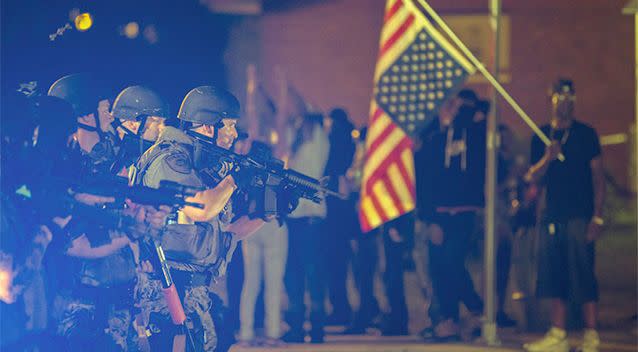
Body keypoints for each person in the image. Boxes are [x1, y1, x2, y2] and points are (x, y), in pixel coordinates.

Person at [131, 85, 263, 352]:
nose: (234, 134)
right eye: (230, 125)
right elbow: (201, 208)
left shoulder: (195, 165)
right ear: (207, 126)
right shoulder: (170, 160)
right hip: (169, 292)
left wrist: (269, 211)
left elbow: (225, 232)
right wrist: (234, 179)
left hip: (193, 293)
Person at [523, 79, 605, 352]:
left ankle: (591, 335)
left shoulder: (586, 134)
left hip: (580, 215)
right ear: (551, 100)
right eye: (560, 96)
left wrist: (597, 217)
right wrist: (548, 157)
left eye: (571, 97)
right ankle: (558, 334)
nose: (565, 102)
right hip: (552, 215)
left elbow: (598, 178)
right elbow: (532, 178)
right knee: (554, 274)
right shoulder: (541, 135)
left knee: (582, 273)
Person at [415, 89, 486, 342]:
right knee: (440, 267)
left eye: (459, 106)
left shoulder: (477, 136)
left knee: (453, 262)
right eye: (450, 105)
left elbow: (486, 159)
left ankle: (476, 307)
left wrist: (471, 113)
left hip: (465, 212)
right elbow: (425, 183)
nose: (454, 110)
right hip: (439, 214)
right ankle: (448, 321)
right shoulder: (434, 140)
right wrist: (431, 219)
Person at [283, 112, 330, 343]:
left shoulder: (319, 139)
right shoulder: (296, 142)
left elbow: (299, 106)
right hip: (294, 217)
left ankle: (318, 327)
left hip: (312, 217)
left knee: (313, 275)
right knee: (294, 274)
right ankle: (297, 326)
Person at [238, 142, 288, 347]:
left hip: (250, 225)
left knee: (250, 282)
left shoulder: (246, 174)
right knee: (273, 283)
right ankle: (273, 332)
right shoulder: (277, 175)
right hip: (273, 226)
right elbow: (286, 202)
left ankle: (246, 331)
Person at [323, 108, 356, 326]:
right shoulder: (352, 145)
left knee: (335, 266)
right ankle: (345, 308)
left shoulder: (334, 146)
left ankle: (341, 309)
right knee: (344, 267)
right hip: (346, 214)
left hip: (334, 214)